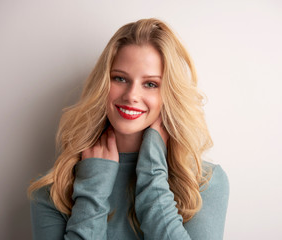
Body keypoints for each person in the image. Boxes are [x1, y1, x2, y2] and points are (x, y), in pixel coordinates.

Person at [28, 18, 229, 240]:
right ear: (103, 84)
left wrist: (152, 173)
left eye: (150, 84)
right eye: (120, 78)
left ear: (169, 94)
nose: (132, 95)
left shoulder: (203, 182)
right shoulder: (55, 188)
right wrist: (93, 189)